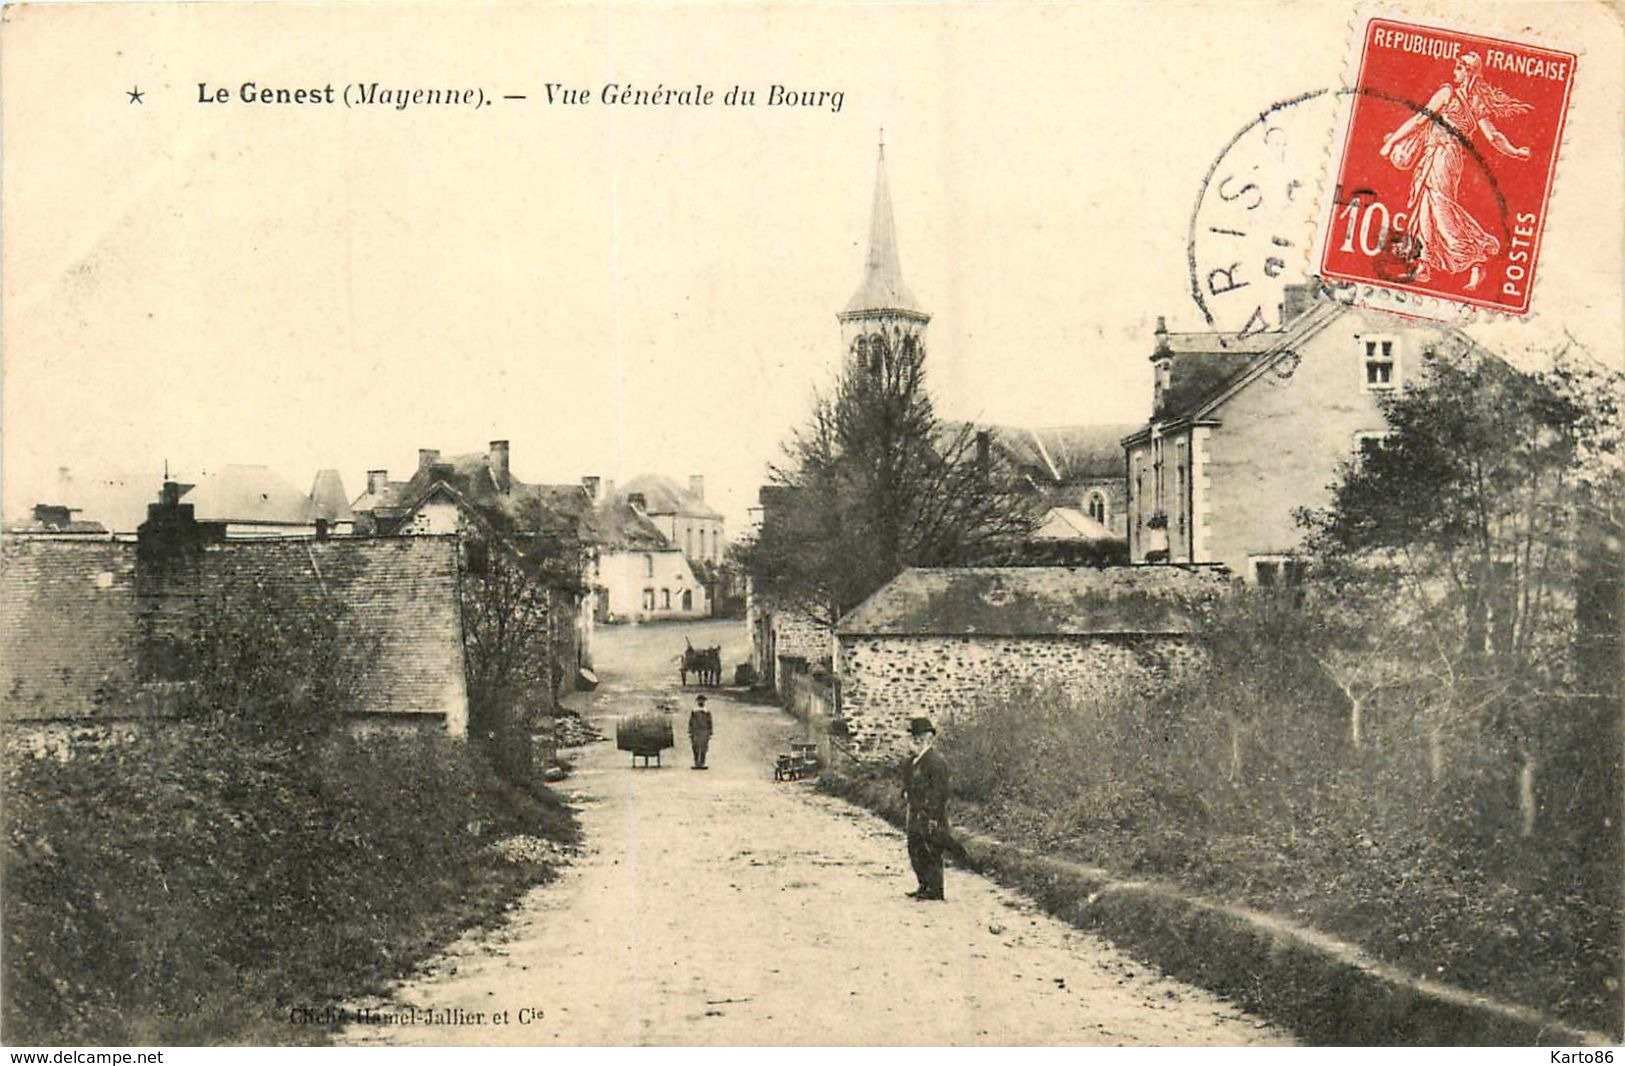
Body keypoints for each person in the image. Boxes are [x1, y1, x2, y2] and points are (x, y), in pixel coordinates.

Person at [1378, 51, 1533, 291]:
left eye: (1459, 67)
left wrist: (1391, 142)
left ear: (1468, 72)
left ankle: (1475, 255)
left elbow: (1421, 120)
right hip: (1441, 156)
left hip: (1444, 156)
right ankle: (1425, 263)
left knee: (1439, 206)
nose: (1454, 71)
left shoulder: (1448, 94)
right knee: (1426, 206)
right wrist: (1515, 151)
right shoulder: (1475, 102)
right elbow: (1494, 136)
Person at [901, 716, 949, 901]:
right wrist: (905, 793)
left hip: (930, 814)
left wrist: (934, 816)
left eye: (919, 737)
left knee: (932, 849)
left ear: (928, 738)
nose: (915, 741)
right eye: (914, 737)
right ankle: (924, 884)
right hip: (914, 812)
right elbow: (908, 782)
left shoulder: (936, 761)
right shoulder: (913, 761)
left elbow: (940, 791)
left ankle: (935, 889)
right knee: (915, 848)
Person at [687, 695, 713, 770]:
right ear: (697, 701)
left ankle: (702, 762)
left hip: (704, 731)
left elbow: (709, 722)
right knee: (695, 746)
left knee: (704, 747)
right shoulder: (694, 711)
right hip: (696, 731)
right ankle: (696, 762)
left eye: (702, 700)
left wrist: (710, 731)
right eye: (699, 700)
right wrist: (690, 730)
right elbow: (691, 721)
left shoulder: (707, 711)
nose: (701, 702)